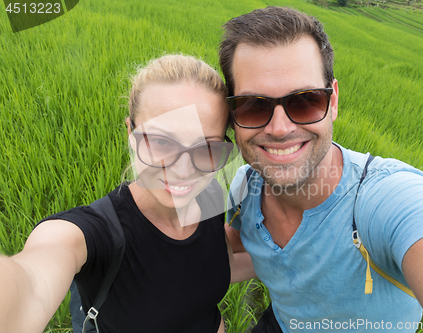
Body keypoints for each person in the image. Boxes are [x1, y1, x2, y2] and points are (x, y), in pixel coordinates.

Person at [220, 6, 423, 333]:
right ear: (232, 115)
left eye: (305, 100)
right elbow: (238, 248)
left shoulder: (386, 199)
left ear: (333, 101)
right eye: (254, 106)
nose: (280, 128)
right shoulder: (245, 185)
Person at [0, 54, 255, 333]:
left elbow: (217, 267)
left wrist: (293, 263)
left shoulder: (211, 195)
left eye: (207, 147)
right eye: (160, 142)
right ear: (131, 134)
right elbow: (32, 286)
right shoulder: (95, 234)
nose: (184, 170)